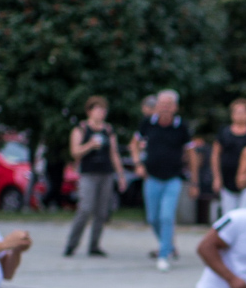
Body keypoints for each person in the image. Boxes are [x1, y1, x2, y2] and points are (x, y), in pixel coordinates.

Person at [131, 89, 198, 272]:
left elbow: (191, 154)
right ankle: (168, 245)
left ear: (175, 107)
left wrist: (194, 182)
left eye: (168, 105)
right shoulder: (148, 123)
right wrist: (138, 163)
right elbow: (134, 144)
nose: (165, 108)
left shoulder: (181, 126)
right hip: (152, 177)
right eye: (161, 105)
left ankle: (163, 254)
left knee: (166, 217)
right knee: (153, 218)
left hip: (173, 179)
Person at [65, 96, 126, 257]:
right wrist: (90, 145)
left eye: (103, 110)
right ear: (89, 111)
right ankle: (72, 243)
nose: (101, 113)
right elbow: (75, 152)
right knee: (85, 209)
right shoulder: (81, 129)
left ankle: (94, 245)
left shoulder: (108, 130)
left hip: (105, 174)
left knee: (101, 211)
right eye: (98, 110)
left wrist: (120, 175)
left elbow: (114, 154)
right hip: (88, 174)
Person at [212, 98, 246, 216]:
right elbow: (215, 155)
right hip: (227, 180)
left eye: (242, 112)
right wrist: (216, 177)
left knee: (244, 215)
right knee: (228, 215)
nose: (239, 115)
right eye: (236, 112)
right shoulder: (224, 132)